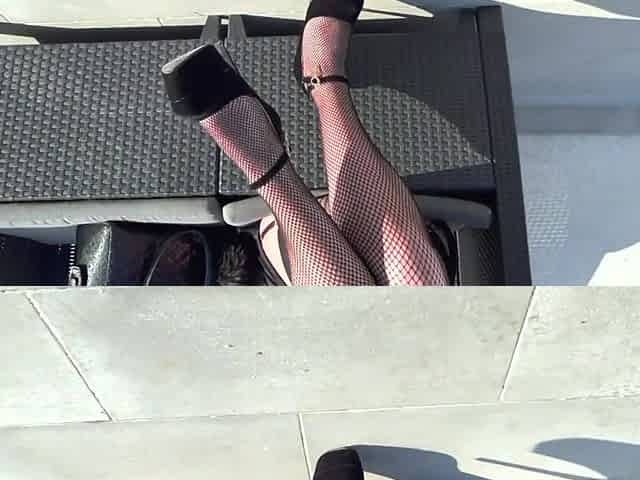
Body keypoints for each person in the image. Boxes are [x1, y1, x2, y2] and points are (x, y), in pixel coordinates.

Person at [162, 0, 451, 286]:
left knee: (345, 292)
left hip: (297, 269)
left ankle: (268, 168)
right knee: (412, 274)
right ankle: (321, 77)